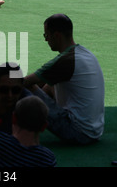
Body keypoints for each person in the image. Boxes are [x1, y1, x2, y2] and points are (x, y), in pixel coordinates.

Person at [24, 14, 105, 145]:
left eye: (46, 35)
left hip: (78, 132)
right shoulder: (85, 53)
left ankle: (6, 130)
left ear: (56, 35)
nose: (46, 40)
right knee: (49, 85)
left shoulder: (65, 61)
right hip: (94, 131)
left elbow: (24, 82)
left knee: (24, 88)